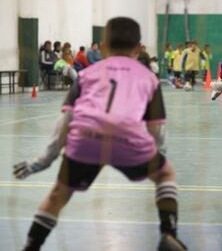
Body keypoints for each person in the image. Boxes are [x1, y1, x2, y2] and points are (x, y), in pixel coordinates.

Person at [13, 17, 187, 251]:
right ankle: (168, 234)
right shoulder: (149, 78)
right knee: (165, 174)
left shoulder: (86, 74)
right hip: (129, 142)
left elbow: (65, 121)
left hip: (86, 140)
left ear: (103, 47)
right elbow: (156, 129)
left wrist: (44, 160)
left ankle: (31, 246)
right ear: (139, 48)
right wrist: (157, 157)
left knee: (58, 194)